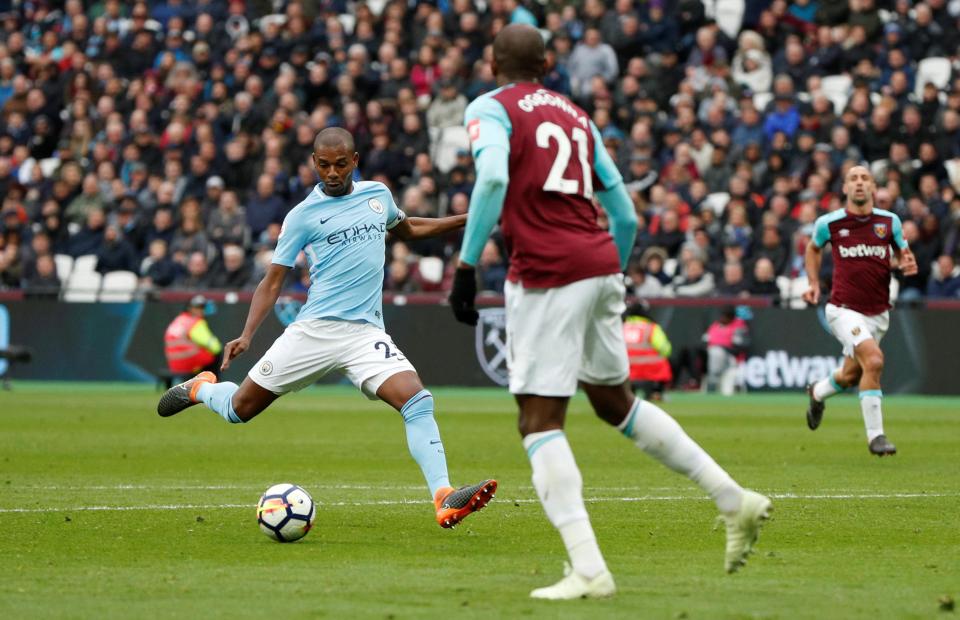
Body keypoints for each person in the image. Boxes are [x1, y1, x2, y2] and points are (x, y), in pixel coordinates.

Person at [448, 24, 771, 600]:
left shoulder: (491, 107)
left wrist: (467, 266)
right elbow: (625, 215)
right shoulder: (577, 117)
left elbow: (493, 175)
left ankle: (590, 569)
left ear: (491, 62)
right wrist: (609, 274)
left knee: (538, 421)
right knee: (613, 402)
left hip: (548, 273)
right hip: (599, 262)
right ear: (547, 65)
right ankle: (732, 498)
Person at [156, 128, 496, 529]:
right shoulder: (301, 216)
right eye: (323, 165)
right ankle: (201, 389)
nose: (331, 173)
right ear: (313, 163)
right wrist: (247, 334)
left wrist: (469, 220)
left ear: (354, 160)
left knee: (417, 400)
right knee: (238, 411)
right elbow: (273, 281)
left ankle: (442, 496)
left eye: (339, 164)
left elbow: (410, 229)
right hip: (314, 331)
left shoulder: (377, 195)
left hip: (365, 334)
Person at [803, 165, 918, 456]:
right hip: (843, 309)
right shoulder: (829, 223)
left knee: (852, 375)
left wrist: (907, 262)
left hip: (878, 313)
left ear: (873, 188)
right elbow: (813, 249)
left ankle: (816, 393)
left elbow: (903, 252)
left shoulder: (889, 222)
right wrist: (814, 283)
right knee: (875, 361)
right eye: (853, 179)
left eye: (865, 178)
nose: (859, 183)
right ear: (844, 188)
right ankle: (876, 437)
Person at [163, 295, 223, 381]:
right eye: (198, 307)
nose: (201, 310)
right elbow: (215, 347)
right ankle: (213, 383)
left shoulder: (178, 319)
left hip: (173, 363)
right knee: (216, 355)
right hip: (189, 363)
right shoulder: (195, 322)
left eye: (202, 307)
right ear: (190, 308)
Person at [623, 302, 673, 401]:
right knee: (664, 362)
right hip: (650, 368)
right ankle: (656, 391)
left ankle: (629, 392)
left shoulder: (621, 326)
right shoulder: (651, 327)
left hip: (625, 368)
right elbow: (665, 349)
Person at [703, 306, 750, 396]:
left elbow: (739, 348)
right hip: (712, 358)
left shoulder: (739, 327)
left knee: (717, 351)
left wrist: (721, 347)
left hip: (731, 360)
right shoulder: (715, 325)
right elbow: (705, 341)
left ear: (731, 317)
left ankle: (713, 382)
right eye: (722, 315)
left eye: (725, 316)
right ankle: (711, 381)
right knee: (713, 351)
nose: (722, 318)